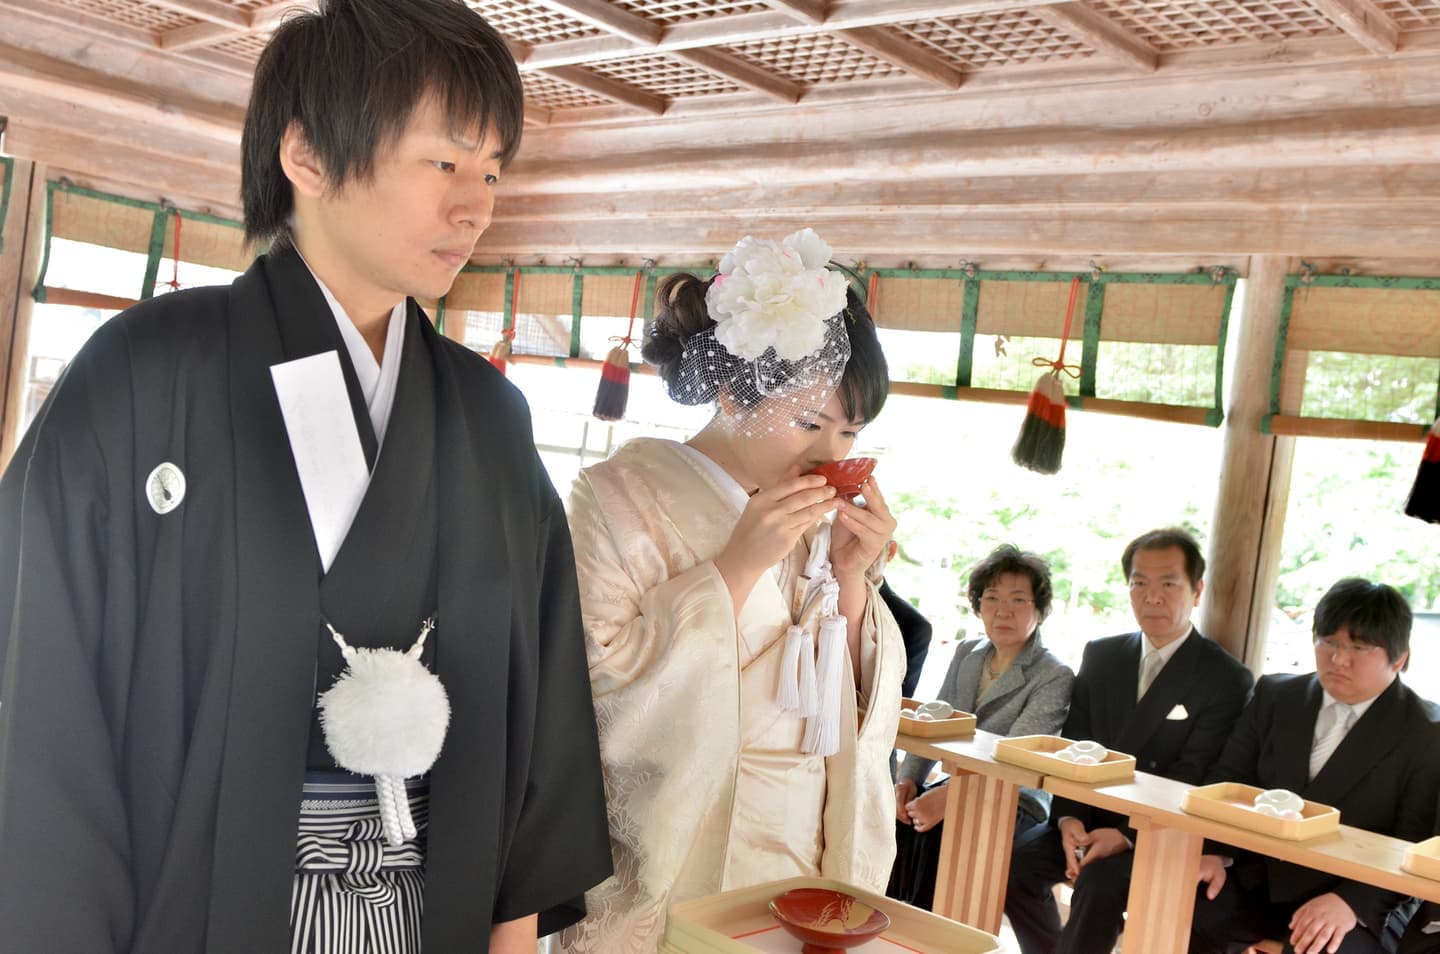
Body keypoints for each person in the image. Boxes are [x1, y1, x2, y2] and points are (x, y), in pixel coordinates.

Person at [0, 2, 611, 952]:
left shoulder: (493, 422)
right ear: (309, 156)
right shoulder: (144, 375)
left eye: (492, 170)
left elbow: (541, 732)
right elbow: (38, 699)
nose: (476, 203)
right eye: (444, 162)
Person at [560, 229, 904, 952]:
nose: (829, 455)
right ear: (730, 389)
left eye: (850, 432)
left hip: (809, 848)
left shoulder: (813, 514)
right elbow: (591, 682)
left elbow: (844, 709)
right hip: (684, 850)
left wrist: (850, 583)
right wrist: (734, 572)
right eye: (810, 422)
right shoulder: (617, 497)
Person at [1004, 526, 1253, 954]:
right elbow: (1074, 747)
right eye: (1139, 583)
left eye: (1168, 583)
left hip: (1161, 832)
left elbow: (1196, 775)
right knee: (1014, 864)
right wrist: (1067, 822)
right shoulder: (1103, 656)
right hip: (1087, 817)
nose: (1151, 596)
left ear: (1197, 591)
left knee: (1099, 884)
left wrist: (1124, 835)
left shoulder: (1225, 677)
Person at [1191, 578, 1440, 954]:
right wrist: (1212, 850)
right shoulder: (1276, 695)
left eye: (1359, 647)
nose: (1339, 658)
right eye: (1329, 642)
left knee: (1320, 946)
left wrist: (1353, 904)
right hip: (1258, 878)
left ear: (1399, 657)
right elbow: (1229, 779)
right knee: (1184, 902)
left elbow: (1415, 842)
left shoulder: (1426, 731)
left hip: (1356, 897)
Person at [888, 544, 1074, 910]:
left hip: (1015, 797)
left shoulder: (1054, 675)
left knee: (943, 831)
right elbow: (936, 721)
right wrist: (907, 779)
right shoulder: (967, 654)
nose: (1003, 610)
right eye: (992, 597)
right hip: (954, 784)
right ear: (978, 605)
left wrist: (952, 797)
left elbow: (1017, 757)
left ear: (1039, 609)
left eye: (1018, 600)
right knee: (897, 821)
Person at [879, 539, 933, 700]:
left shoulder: (915, 626)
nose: (859, 554)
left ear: (890, 551)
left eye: (870, 544)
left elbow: (898, 701)